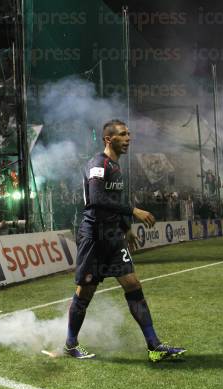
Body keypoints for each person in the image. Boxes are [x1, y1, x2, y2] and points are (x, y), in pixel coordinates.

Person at [64, 119, 186, 362]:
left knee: (133, 285)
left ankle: (154, 346)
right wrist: (133, 211)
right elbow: (97, 199)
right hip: (94, 238)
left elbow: (112, 203)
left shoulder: (117, 167)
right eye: (123, 134)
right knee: (85, 293)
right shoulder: (98, 163)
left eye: (129, 133)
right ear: (109, 139)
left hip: (113, 236)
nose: (128, 138)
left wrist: (125, 228)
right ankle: (70, 344)